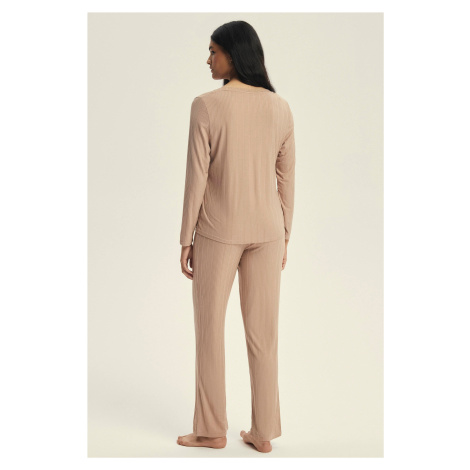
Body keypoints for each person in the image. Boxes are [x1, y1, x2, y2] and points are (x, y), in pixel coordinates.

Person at [177, 20, 295, 454]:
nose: (208, 59)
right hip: (268, 231)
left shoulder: (206, 106)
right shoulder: (280, 107)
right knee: (264, 335)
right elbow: (286, 179)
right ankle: (263, 433)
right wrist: (285, 235)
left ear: (233, 53)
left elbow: (197, 177)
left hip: (218, 230)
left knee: (210, 330)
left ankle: (211, 430)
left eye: (213, 51)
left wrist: (185, 237)